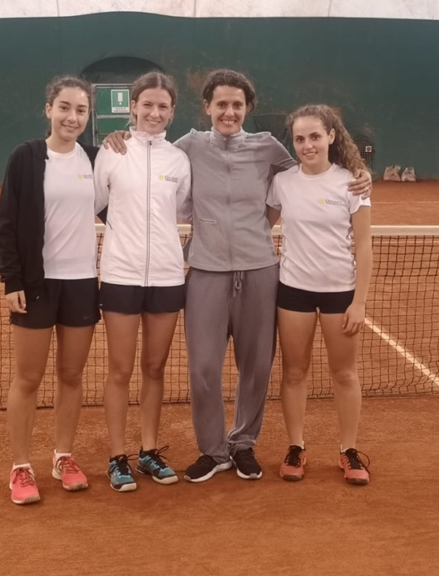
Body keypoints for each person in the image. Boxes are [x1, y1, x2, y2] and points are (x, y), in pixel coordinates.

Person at [103, 69, 372, 484]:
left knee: (257, 367)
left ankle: (243, 444)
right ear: (207, 107)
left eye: (237, 105)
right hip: (205, 273)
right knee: (203, 369)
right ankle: (213, 451)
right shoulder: (189, 146)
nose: (229, 112)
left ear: (248, 108)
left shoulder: (267, 148)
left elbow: (309, 171)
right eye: (221, 104)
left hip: (260, 273)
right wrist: (119, 134)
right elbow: (149, 146)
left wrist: (356, 170)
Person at [0, 76, 104, 505]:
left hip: (81, 283)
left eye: (80, 110)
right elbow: (6, 223)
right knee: (28, 378)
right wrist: (12, 280)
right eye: (64, 107)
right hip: (36, 285)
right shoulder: (25, 157)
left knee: (71, 376)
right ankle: (21, 466)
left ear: (88, 115)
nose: (72, 117)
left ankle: (63, 457)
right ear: (49, 109)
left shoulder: (95, 159)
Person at [94, 72, 192, 492]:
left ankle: (149, 451)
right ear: (133, 106)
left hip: (168, 276)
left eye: (162, 106)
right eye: (147, 104)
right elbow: (96, 202)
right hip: (120, 274)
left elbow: (183, 208)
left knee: (154, 368)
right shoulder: (112, 151)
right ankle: (117, 457)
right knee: (120, 369)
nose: (154, 112)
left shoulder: (179, 160)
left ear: (172, 111)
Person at [266, 104, 372, 485]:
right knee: (294, 372)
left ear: (331, 136)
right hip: (293, 290)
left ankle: (349, 450)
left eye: (314, 136)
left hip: (339, 294)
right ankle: (296, 446)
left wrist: (359, 302)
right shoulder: (283, 182)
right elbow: (260, 226)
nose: (307, 145)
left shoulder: (352, 183)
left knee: (344, 373)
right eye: (299, 138)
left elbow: (364, 246)